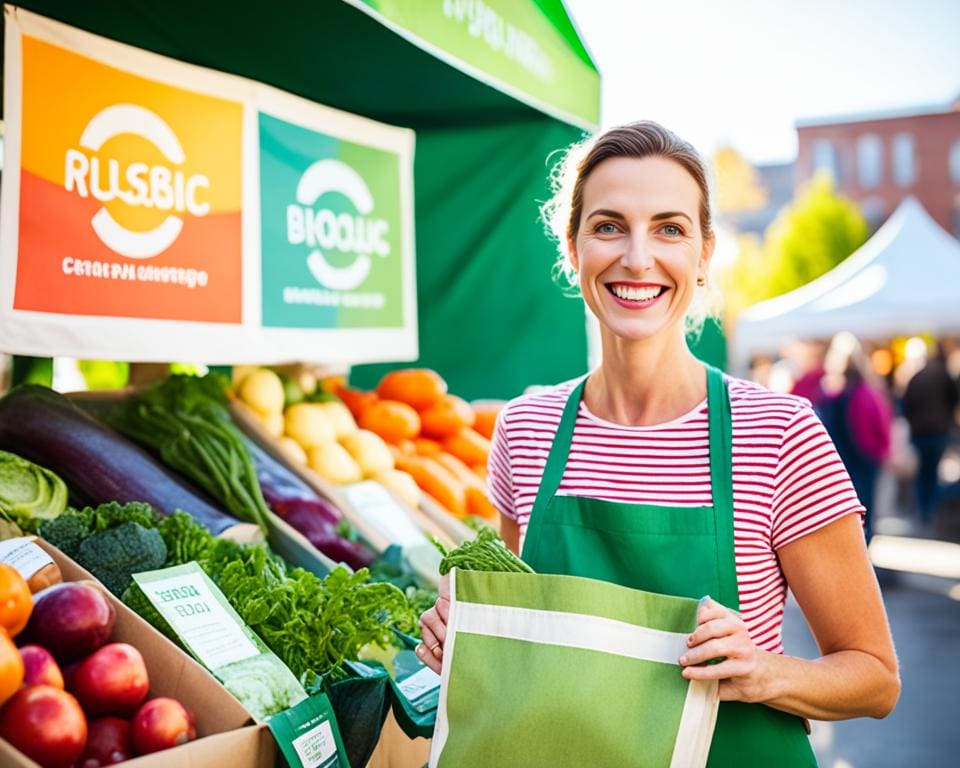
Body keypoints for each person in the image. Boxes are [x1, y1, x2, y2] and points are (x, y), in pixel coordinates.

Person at [418, 121, 899, 766]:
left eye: (669, 229)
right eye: (609, 225)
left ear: (703, 256)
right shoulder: (525, 429)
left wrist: (764, 672)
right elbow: (526, 638)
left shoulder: (779, 432)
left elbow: (874, 677)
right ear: (573, 247)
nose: (638, 258)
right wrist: (468, 635)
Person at [816, 332, 893, 541]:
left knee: (856, 512)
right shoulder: (853, 390)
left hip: (854, 459)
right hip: (854, 459)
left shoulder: (849, 391)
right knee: (858, 511)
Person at [902, 341, 960, 528]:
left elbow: (906, 404)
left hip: (921, 433)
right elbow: (954, 400)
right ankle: (930, 511)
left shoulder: (917, 377)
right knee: (933, 471)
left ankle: (923, 511)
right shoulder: (944, 375)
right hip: (938, 431)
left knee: (923, 472)